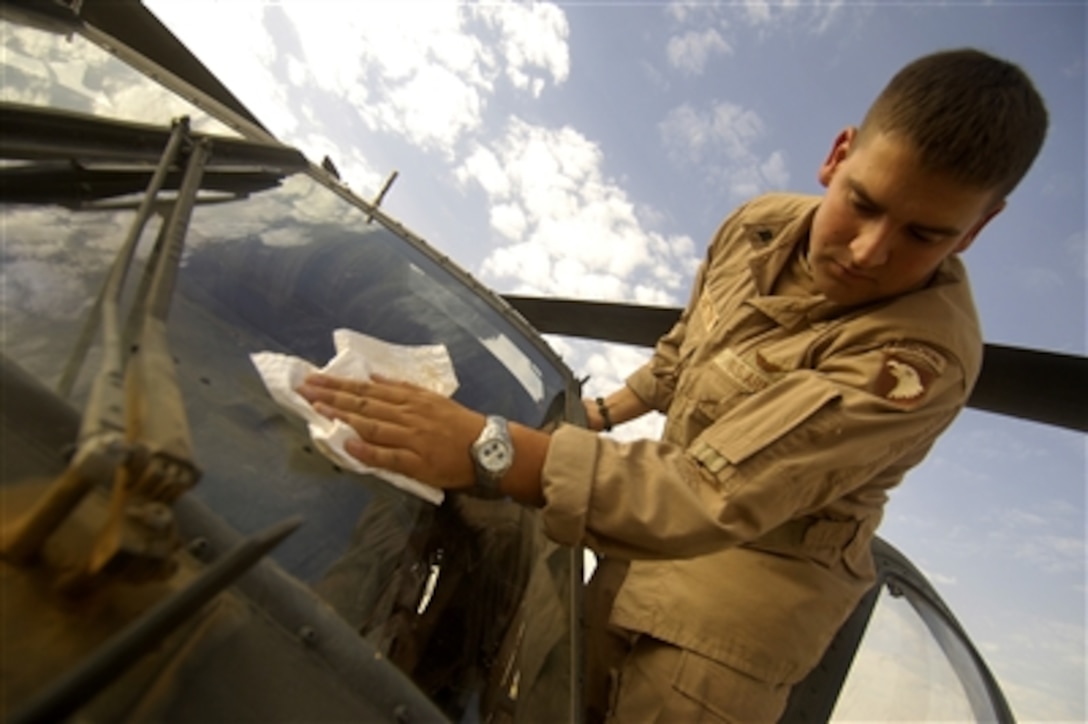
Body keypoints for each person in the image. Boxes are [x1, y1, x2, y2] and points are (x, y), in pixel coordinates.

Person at [298, 48, 1048, 722]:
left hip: (726, 631)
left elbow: (711, 493)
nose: (869, 250)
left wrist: (491, 449)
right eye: (864, 203)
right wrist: (597, 414)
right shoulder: (757, 228)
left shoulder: (918, 359)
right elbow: (685, 355)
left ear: (976, 231)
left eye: (925, 235)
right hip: (634, 537)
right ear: (837, 155)